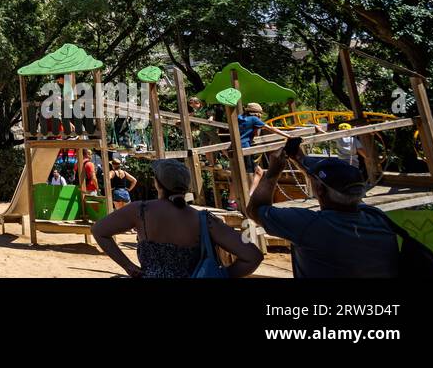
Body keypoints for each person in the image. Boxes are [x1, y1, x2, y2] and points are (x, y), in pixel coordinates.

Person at [248, 140, 399, 278]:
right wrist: (299, 159)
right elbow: (332, 186)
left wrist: (273, 171)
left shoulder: (307, 225)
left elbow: (255, 210)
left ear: (319, 190)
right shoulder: (378, 219)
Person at [92, 159, 262, 278]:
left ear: (157, 184)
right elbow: (253, 256)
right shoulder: (204, 219)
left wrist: (130, 268)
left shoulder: (141, 211)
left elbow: (99, 231)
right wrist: (222, 275)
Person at [237, 102, 290, 172]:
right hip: (245, 148)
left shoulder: (239, 117)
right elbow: (271, 129)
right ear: (257, 114)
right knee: (249, 172)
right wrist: (288, 135)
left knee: (258, 171)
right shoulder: (254, 119)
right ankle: (249, 183)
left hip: (236, 146)